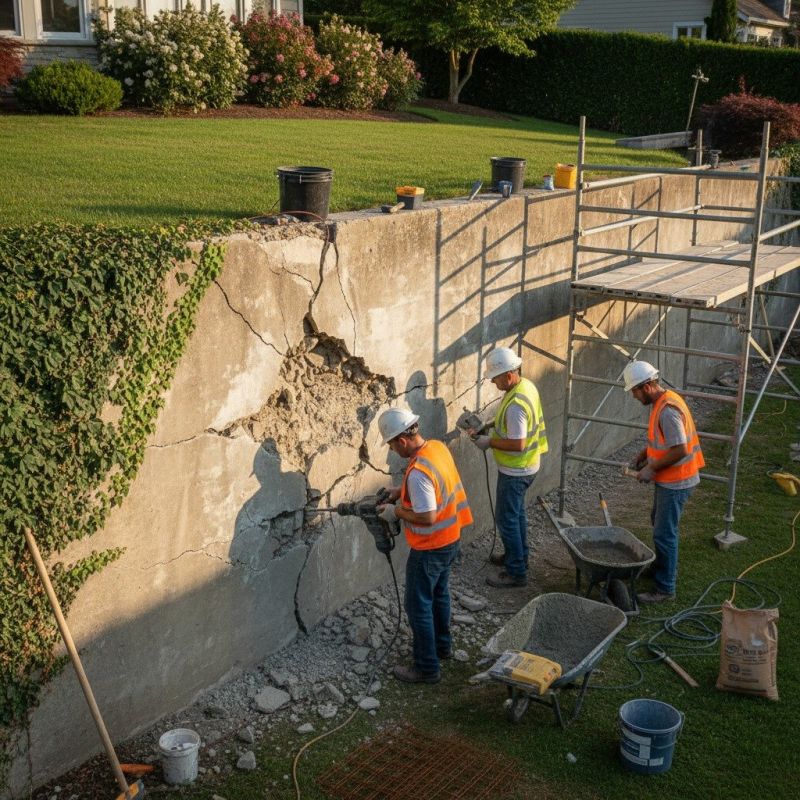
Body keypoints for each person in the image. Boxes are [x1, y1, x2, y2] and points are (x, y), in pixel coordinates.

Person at [376, 407, 473, 684]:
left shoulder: (418, 472)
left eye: (392, 445)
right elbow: (436, 488)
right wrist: (400, 492)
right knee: (439, 594)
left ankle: (426, 667)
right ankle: (442, 647)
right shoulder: (436, 448)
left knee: (417, 606)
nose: (392, 451)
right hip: (451, 538)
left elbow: (428, 516)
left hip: (430, 547)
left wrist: (395, 512)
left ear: (402, 440)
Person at [624, 360, 704, 603]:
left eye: (635, 391)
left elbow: (680, 449)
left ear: (646, 386)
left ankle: (665, 588)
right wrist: (643, 455)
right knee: (657, 522)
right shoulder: (661, 402)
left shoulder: (667, 411)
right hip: (671, 479)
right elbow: (663, 442)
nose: (634, 396)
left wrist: (651, 468)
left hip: (677, 481)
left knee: (664, 534)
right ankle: (660, 568)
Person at [470, 347, 547, 589]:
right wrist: (488, 425)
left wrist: (488, 442)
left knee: (506, 519)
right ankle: (519, 557)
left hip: (516, 470)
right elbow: (511, 424)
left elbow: (518, 444)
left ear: (508, 374)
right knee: (516, 515)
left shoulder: (516, 405)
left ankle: (516, 572)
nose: (493, 382)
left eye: (495, 377)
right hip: (528, 466)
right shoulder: (525, 387)